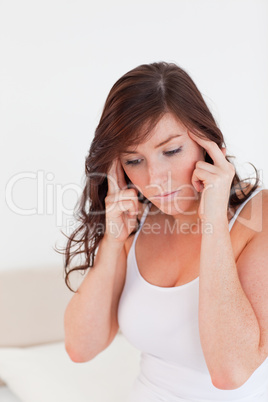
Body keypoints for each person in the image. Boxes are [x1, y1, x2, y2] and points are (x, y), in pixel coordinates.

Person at [63, 62, 268, 401]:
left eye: (171, 151)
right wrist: (113, 242)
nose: (155, 178)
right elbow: (80, 348)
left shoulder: (259, 215)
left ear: (207, 143)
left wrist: (213, 222)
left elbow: (231, 372)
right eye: (134, 160)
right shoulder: (136, 219)